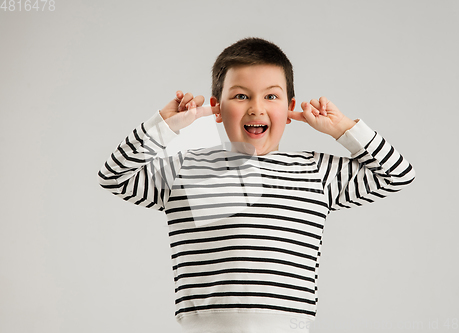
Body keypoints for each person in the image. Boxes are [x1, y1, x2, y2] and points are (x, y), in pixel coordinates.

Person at [98, 37, 415, 333]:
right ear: (217, 108)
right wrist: (163, 126)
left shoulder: (316, 171)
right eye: (240, 95)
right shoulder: (186, 168)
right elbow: (114, 176)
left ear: (289, 108)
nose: (256, 107)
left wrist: (342, 128)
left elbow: (397, 173)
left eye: (271, 96)